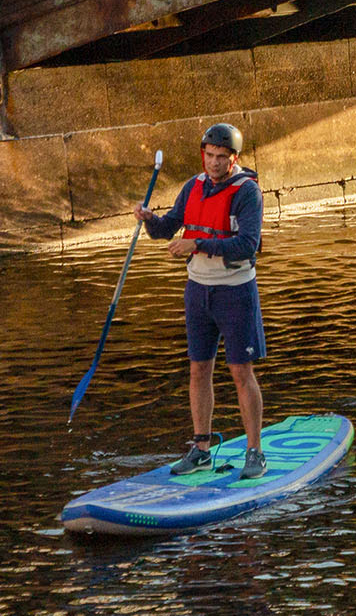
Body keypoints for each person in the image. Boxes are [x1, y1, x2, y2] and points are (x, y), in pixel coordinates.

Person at [136, 123, 269, 478]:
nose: (213, 163)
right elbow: (168, 228)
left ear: (234, 159)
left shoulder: (246, 192)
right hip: (198, 291)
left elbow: (246, 244)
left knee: (241, 372)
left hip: (235, 291)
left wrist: (197, 244)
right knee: (198, 369)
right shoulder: (192, 187)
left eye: (220, 157)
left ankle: (254, 452)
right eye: (208, 155)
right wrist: (150, 220)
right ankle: (201, 449)